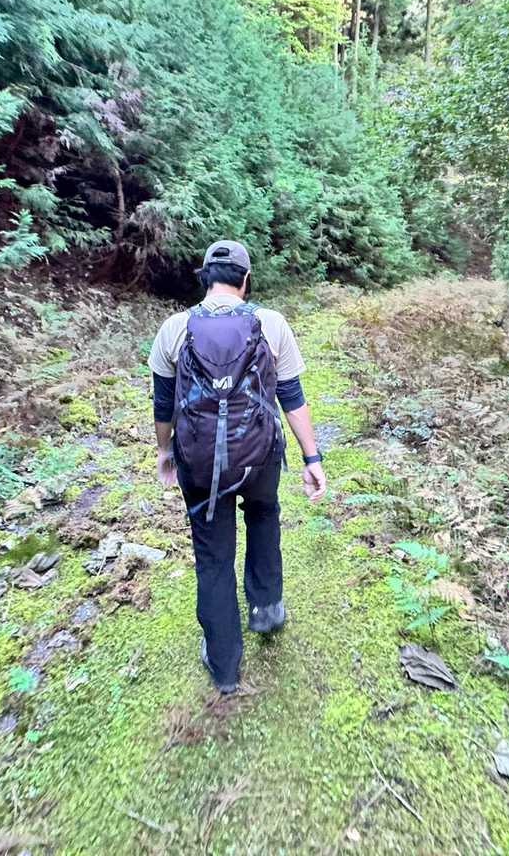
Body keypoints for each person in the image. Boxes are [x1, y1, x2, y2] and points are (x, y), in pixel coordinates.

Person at [149, 240, 328, 694]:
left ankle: (225, 665)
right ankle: (266, 608)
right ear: (246, 280)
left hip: (199, 461)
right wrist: (311, 458)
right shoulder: (272, 324)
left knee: (213, 555)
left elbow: (163, 404)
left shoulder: (174, 328)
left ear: (205, 277)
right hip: (260, 456)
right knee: (264, 514)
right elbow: (291, 396)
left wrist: (165, 453)